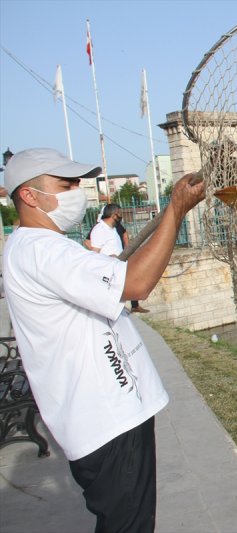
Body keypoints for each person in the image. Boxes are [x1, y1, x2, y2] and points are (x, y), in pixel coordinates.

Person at [2, 148, 204, 532]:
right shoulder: (41, 250)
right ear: (29, 196)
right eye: (65, 184)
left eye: (77, 183)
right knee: (129, 525)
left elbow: (119, 275)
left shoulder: (42, 247)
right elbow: (137, 282)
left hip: (112, 414)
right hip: (105, 422)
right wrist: (175, 210)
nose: (76, 190)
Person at [88, 204, 150, 313]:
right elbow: (95, 255)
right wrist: (108, 257)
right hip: (108, 270)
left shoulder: (113, 229)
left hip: (118, 266)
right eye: (120, 214)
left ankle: (132, 306)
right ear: (114, 215)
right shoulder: (99, 229)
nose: (121, 216)